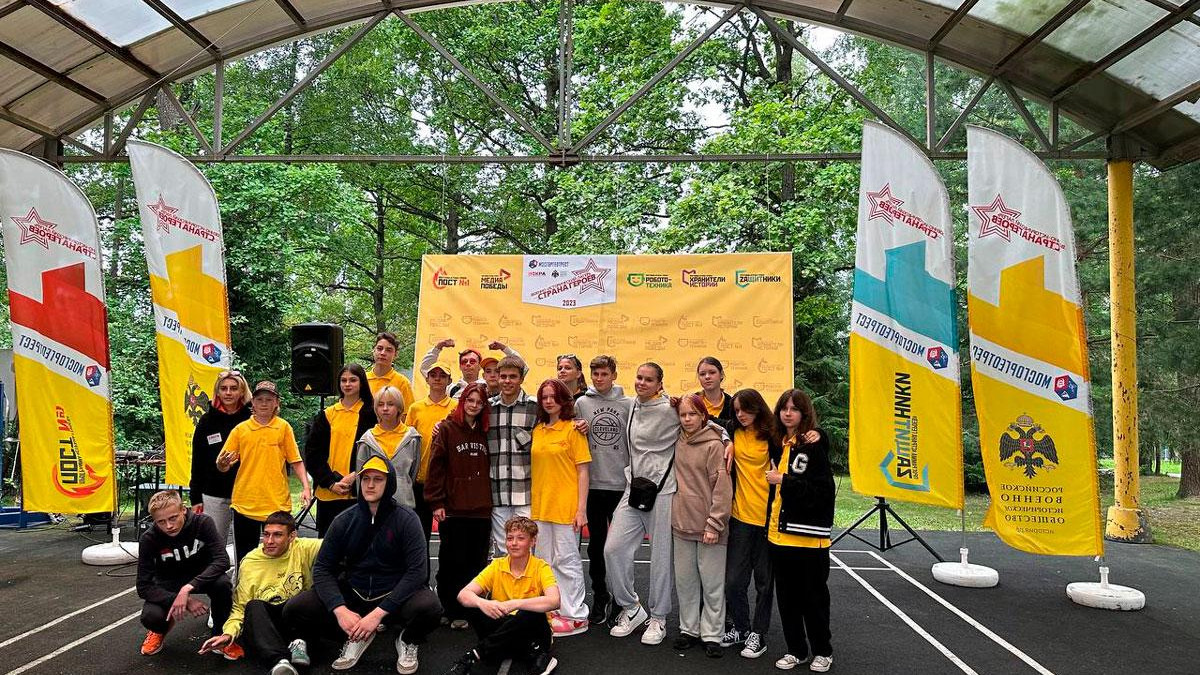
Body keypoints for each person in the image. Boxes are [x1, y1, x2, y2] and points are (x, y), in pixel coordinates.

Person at [286, 454, 443, 673]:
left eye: (378, 479)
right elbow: (322, 568)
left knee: (430, 607)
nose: (370, 485)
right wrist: (340, 610)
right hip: (355, 593)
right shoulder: (344, 520)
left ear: (390, 483)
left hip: (393, 596)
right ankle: (354, 634)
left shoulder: (407, 520)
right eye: (366, 478)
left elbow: (418, 572)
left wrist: (377, 614)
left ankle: (407, 639)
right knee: (295, 608)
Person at [604, 362, 678, 646]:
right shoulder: (632, 404)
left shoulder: (671, 408)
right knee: (613, 549)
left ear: (660, 384)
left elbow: (705, 421)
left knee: (660, 557)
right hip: (633, 488)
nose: (642, 383)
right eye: (639, 377)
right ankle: (632, 608)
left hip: (662, 491)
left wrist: (725, 438)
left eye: (649, 379)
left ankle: (658, 617)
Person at [198, 511, 321, 675]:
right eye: (266, 534)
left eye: (277, 535)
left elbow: (337, 542)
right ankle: (280, 663)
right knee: (254, 605)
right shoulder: (251, 562)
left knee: (308, 597)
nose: (269, 541)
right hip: (266, 625)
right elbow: (240, 607)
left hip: (294, 618)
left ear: (292, 536)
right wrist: (228, 634)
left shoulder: (303, 548)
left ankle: (299, 645)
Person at [767, 389, 835, 673]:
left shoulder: (813, 445)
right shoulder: (778, 442)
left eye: (794, 409)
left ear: (804, 414)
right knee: (787, 600)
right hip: (779, 536)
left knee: (813, 599)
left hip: (808, 538)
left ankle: (823, 651)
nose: (788, 413)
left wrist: (784, 480)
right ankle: (796, 650)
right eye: (784, 408)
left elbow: (823, 492)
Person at [446, 516, 561, 675]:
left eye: (521, 538)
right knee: (475, 605)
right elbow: (463, 594)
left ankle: (474, 655)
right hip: (503, 627)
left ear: (533, 541)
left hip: (532, 632)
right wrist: (483, 603)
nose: (514, 543)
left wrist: (516, 603)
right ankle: (535, 656)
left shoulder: (541, 567)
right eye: (510, 538)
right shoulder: (497, 565)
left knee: (529, 612)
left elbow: (555, 600)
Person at [218, 381, 312, 565]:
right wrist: (222, 464)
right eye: (260, 399)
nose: (264, 403)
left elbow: (296, 460)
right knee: (246, 560)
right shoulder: (240, 429)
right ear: (252, 402)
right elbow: (223, 465)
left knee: (280, 557)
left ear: (276, 403)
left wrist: (306, 487)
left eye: (269, 399)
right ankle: (244, 585)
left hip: (276, 504)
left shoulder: (283, 427)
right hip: (245, 504)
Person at [424, 382, 493, 630]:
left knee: (476, 562)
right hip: (454, 508)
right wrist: (437, 501)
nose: (474, 406)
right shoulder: (446, 428)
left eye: (479, 402)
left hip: (481, 509)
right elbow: (436, 467)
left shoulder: (486, 431)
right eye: (470, 400)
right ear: (462, 402)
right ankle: (449, 607)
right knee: (451, 561)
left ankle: (470, 609)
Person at [721, 388, 782, 658]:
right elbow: (707, 420)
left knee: (764, 583)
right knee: (733, 581)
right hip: (740, 518)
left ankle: (759, 633)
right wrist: (727, 440)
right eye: (736, 410)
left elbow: (803, 437)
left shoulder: (774, 436)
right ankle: (742, 628)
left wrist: (818, 434)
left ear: (757, 408)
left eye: (746, 409)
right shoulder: (733, 430)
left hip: (768, 520)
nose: (741, 415)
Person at [671, 394, 733, 658]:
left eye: (692, 414)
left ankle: (712, 635)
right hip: (681, 523)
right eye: (683, 414)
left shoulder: (715, 445)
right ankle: (689, 630)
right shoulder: (676, 439)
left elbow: (722, 488)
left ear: (703, 416)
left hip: (709, 526)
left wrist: (714, 524)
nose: (687, 419)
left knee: (712, 585)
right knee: (685, 583)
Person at [137, 490, 234, 658]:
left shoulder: (202, 523)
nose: (169, 526)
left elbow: (222, 560)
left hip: (202, 577)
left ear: (183, 509)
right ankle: (159, 630)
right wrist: (183, 600)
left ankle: (220, 635)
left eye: (173, 518)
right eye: (161, 522)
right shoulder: (149, 539)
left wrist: (188, 588)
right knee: (151, 617)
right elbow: (143, 586)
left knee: (223, 584)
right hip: (169, 582)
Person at [573, 355, 632, 625]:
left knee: (620, 549)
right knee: (596, 547)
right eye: (595, 374)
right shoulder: (581, 404)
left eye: (604, 374)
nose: (599, 378)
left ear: (614, 375)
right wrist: (577, 427)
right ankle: (600, 595)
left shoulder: (628, 404)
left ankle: (623, 600)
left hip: (621, 486)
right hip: (594, 486)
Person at [530, 378, 591, 636]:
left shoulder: (573, 430)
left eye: (553, 396)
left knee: (567, 561)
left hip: (565, 507)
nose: (548, 401)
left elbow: (583, 471)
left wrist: (581, 509)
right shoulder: (538, 430)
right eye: (544, 397)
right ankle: (553, 608)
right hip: (540, 507)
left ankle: (576, 615)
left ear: (563, 400)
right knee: (545, 562)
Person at [306, 364, 378, 536]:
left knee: (357, 544)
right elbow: (313, 454)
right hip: (329, 492)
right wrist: (331, 483)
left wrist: (356, 475)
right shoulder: (327, 414)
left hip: (359, 492)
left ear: (362, 383)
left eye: (353, 380)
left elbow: (376, 452)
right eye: (343, 380)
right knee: (328, 544)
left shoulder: (371, 414)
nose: (347, 384)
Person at [190, 369, 252, 546]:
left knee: (247, 547)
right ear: (217, 391)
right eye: (224, 388)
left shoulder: (252, 419)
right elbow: (198, 462)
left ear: (242, 391)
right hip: (214, 493)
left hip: (247, 492)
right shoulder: (207, 421)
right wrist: (195, 497)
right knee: (212, 546)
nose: (228, 393)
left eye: (234, 388)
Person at [486, 355, 538, 555]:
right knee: (503, 550)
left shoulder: (535, 407)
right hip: (497, 492)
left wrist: (579, 422)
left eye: (513, 377)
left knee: (528, 549)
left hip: (526, 492)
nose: (507, 381)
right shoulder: (487, 408)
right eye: (503, 376)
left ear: (521, 379)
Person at [404, 362, 456, 543]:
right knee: (419, 534)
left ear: (449, 380)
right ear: (427, 379)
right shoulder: (415, 408)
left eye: (442, 376)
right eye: (433, 375)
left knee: (449, 535)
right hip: (421, 479)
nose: (437, 379)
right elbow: (408, 443)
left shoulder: (456, 407)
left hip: (447, 481)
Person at [356, 385, 422, 510]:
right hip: (374, 506)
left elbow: (413, 473)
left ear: (399, 407)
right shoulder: (367, 440)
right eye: (380, 405)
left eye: (390, 404)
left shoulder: (412, 438)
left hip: (404, 505)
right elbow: (360, 477)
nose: (385, 409)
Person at [420, 338, 522, 398]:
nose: (468, 364)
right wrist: (438, 347)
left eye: (472, 361)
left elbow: (521, 367)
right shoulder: (451, 389)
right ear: (460, 366)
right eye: (464, 362)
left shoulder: (489, 387)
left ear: (479, 366)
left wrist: (504, 348)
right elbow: (425, 369)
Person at [367, 331, 415, 414]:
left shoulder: (402, 383)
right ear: (373, 350)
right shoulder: (362, 379)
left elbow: (408, 415)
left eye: (388, 350)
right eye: (379, 348)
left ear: (395, 355)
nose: (383, 353)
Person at [696, 357, 735, 425]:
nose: (707, 377)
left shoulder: (733, 404)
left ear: (721, 374)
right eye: (702, 374)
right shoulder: (691, 402)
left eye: (712, 372)